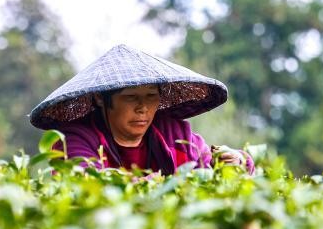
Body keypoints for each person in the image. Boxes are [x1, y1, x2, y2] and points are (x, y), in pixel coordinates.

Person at [29, 44, 254, 175]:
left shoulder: (175, 135)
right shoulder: (75, 140)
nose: (143, 108)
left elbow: (207, 166)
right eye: (130, 98)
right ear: (100, 98)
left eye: (151, 96)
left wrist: (236, 161)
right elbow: (89, 190)